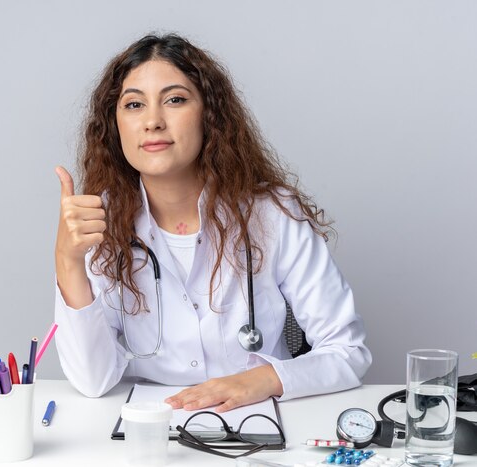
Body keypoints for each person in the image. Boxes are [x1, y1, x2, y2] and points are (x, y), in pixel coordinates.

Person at [53, 33, 371, 412]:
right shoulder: (99, 224)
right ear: (115, 124)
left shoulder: (273, 213)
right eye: (134, 104)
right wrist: (67, 260)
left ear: (210, 114)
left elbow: (349, 352)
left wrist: (263, 380)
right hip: (150, 429)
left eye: (175, 100)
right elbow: (92, 381)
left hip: (260, 420)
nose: (153, 121)